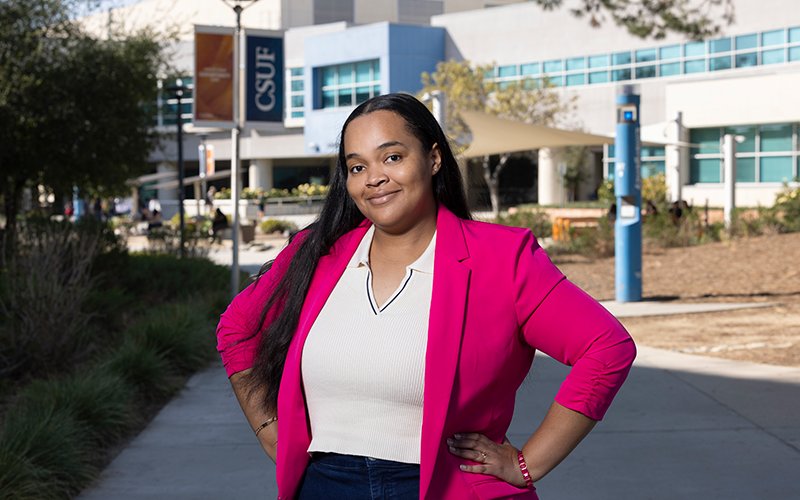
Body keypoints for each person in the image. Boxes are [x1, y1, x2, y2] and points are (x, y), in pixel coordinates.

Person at [216, 93, 636, 500]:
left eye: (392, 157)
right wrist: (271, 431)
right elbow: (237, 329)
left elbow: (607, 347)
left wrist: (530, 463)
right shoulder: (317, 252)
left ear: (433, 158)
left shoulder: (503, 258)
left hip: (444, 486)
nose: (374, 177)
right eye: (357, 166)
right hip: (323, 484)